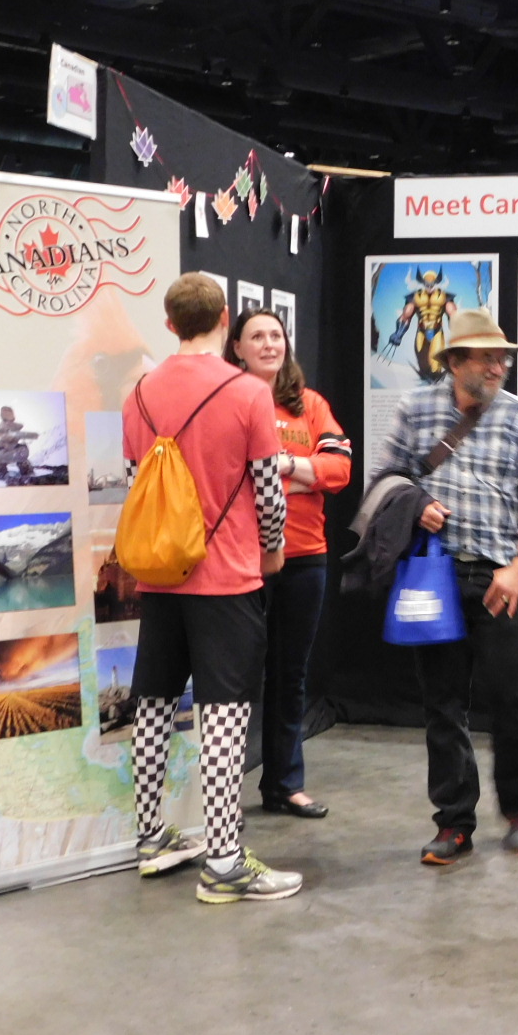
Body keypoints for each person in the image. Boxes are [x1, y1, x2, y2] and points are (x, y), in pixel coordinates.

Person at [122, 274, 301, 905]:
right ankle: (224, 860)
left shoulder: (139, 393)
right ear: (225, 318)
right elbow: (268, 491)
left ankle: (151, 838)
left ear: (170, 323)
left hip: (160, 573)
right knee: (224, 716)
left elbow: (134, 481)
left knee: (153, 705)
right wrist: (272, 549)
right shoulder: (248, 392)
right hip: (226, 577)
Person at [375, 308, 518, 865]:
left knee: (513, 700)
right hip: (436, 576)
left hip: (500, 575)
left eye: (502, 358)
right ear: (454, 362)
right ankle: (454, 822)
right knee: (443, 704)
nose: (498, 367)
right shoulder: (415, 409)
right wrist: (415, 504)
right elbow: (385, 481)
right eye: (486, 358)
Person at [226, 307, 351, 820]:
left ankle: (284, 784)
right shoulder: (228, 401)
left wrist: (281, 465)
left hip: (305, 559)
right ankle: (220, 797)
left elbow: (339, 469)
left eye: (276, 335)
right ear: (237, 347)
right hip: (242, 562)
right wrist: (303, 476)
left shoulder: (310, 404)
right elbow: (229, 477)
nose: (269, 344)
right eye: (257, 336)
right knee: (235, 679)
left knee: (289, 675)